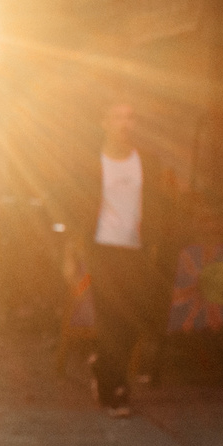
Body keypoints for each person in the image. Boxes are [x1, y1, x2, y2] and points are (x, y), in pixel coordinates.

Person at [68, 99, 179, 416]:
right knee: (109, 318)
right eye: (118, 117)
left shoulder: (147, 162)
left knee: (134, 317)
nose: (125, 124)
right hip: (103, 248)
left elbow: (159, 204)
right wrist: (74, 246)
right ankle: (116, 390)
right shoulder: (93, 161)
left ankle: (103, 367)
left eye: (130, 117)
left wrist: (157, 236)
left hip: (138, 249)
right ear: (104, 122)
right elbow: (77, 203)